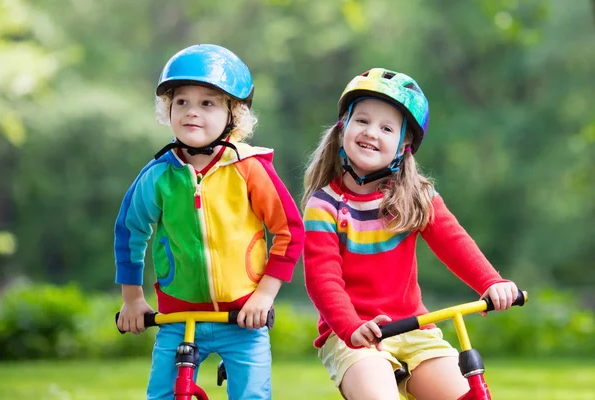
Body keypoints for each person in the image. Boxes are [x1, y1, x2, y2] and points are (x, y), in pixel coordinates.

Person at [301, 68, 518, 400]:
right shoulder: (325, 205)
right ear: (343, 125)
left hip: (416, 328)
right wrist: (349, 326)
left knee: (465, 392)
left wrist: (491, 282)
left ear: (404, 145)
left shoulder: (415, 196)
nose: (371, 132)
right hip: (353, 333)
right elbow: (322, 277)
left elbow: (454, 242)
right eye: (362, 121)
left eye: (386, 128)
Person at [114, 44, 304, 400]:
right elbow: (130, 232)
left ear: (234, 114)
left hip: (243, 317)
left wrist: (264, 296)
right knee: (163, 395)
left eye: (207, 103)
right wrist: (132, 298)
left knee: (251, 395)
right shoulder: (158, 175)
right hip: (178, 316)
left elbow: (289, 231)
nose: (191, 112)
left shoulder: (250, 168)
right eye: (181, 101)